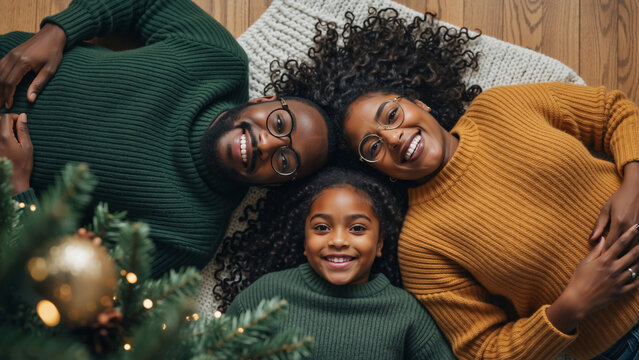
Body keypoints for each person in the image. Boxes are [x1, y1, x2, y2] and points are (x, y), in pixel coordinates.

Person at [266, 8, 639, 360]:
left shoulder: (501, 107)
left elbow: (614, 111)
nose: (394, 138)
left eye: (392, 115)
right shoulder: (422, 248)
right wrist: (571, 307)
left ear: (420, 104)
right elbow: (482, 350)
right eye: (373, 146)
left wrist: (632, 184)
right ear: (378, 172)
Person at [0, 0, 334, 276]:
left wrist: (17, 190)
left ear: (274, 184)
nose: (268, 144)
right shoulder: (219, 59)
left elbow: (74, 292)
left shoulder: (188, 238)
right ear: (264, 101)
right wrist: (58, 32)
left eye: (285, 160)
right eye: (278, 123)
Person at [222, 166, 454, 359]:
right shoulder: (268, 294)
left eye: (357, 228)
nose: (339, 240)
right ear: (305, 242)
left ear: (379, 244)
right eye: (322, 228)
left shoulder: (403, 310)